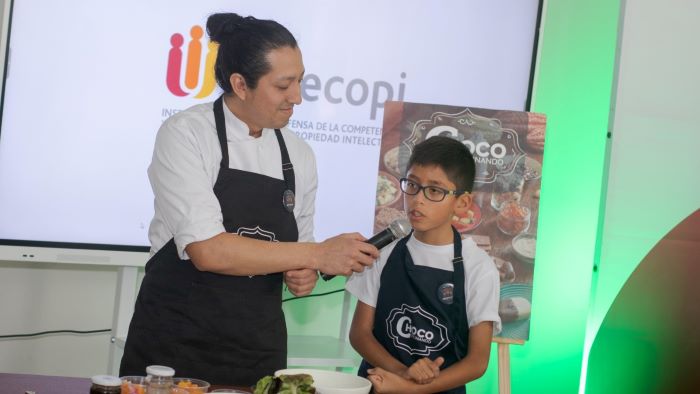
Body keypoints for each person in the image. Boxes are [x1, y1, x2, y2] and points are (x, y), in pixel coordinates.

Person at [119, 13, 379, 386]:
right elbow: (208, 251)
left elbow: (298, 252)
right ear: (240, 84)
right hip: (172, 349)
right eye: (283, 85)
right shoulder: (187, 135)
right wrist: (316, 254)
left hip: (255, 351)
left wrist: (302, 273)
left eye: (301, 81)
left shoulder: (299, 155)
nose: (298, 97)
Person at [345, 136, 502, 394]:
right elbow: (360, 334)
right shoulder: (383, 253)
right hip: (380, 384)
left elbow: (477, 362)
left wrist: (412, 389)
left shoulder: (479, 267)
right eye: (413, 185)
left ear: (462, 203)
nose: (418, 200)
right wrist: (402, 373)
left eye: (435, 190)